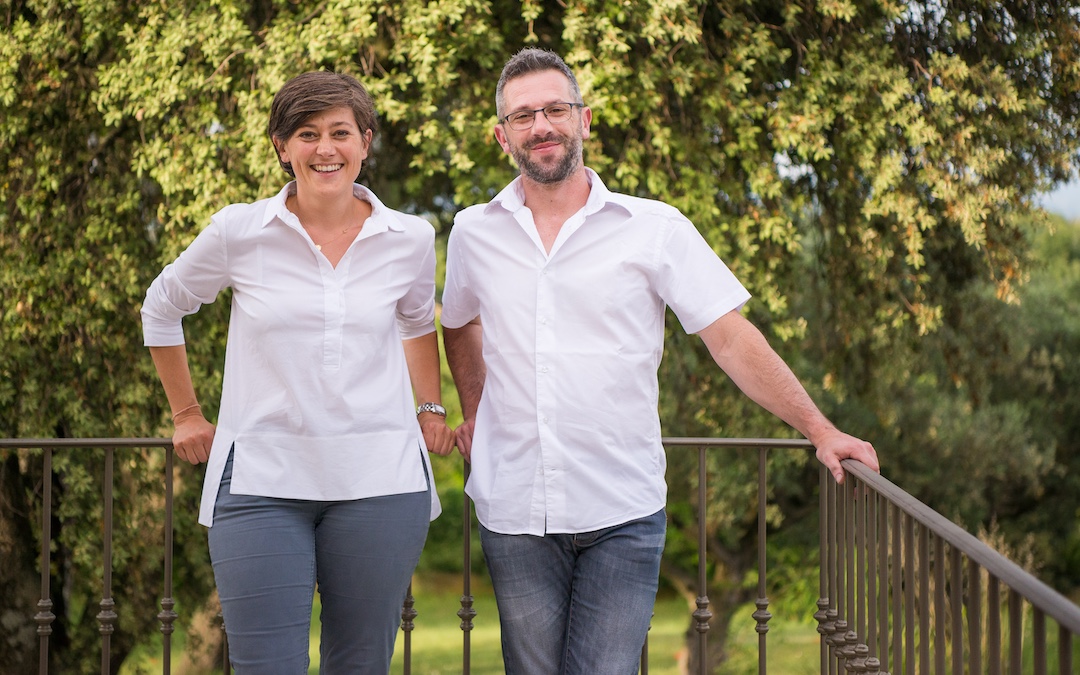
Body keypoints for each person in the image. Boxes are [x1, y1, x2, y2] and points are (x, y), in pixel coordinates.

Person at [440, 48, 881, 675]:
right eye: (523, 115)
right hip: (513, 509)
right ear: (501, 134)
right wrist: (476, 410)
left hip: (622, 511)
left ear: (584, 120)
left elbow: (730, 339)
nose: (541, 126)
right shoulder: (472, 232)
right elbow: (458, 322)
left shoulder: (655, 228)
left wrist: (821, 430)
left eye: (555, 109)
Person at [141, 70, 455, 673]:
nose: (325, 148)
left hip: (382, 483)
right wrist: (185, 415)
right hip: (260, 481)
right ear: (283, 148)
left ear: (365, 141)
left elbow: (417, 324)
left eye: (341, 132)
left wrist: (431, 406)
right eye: (306, 134)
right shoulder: (240, 230)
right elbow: (162, 308)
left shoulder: (410, 237)